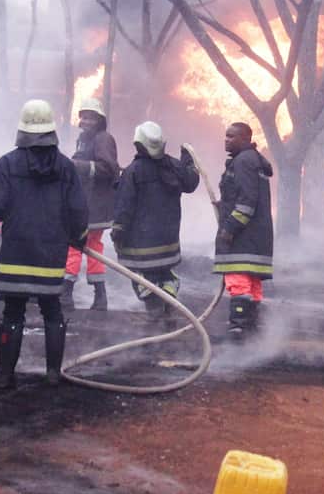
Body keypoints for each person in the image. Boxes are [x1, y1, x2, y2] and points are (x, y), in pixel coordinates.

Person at [0, 99, 88, 389]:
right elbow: (78, 210)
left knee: (13, 312)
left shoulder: (7, 164)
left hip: (16, 253)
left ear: (22, 129)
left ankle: (6, 375)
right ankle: (54, 375)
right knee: (52, 310)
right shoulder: (66, 167)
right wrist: (78, 237)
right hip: (50, 255)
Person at [110, 122, 199, 319]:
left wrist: (118, 231)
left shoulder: (133, 171)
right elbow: (191, 182)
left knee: (141, 279)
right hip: (168, 242)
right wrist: (188, 159)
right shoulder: (174, 166)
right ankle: (168, 295)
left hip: (142, 245)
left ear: (138, 144)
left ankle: (156, 314)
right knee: (163, 273)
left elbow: (124, 205)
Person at [213, 122, 274, 336]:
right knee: (252, 283)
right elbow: (245, 196)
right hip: (257, 236)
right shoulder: (252, 161)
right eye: (226, 136)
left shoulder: (242, 162)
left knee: (237, 278)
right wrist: (224, 205)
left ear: (245, 139)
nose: (227, 140)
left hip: (243, 236)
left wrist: (229, 227)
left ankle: (238, 326)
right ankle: (252, 326)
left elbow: (246, 202)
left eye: (232, 136)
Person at [62, 97, 119, 310]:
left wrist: (78, 165)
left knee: (74, 245)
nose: (86, 120)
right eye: (83, 116)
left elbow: (108, 169)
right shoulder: (85, 139)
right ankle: (100, 297)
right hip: (90, 205)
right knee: (93, 247)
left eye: (90, 117)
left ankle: (66, 294)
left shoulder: (103, 139)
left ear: (99, 119)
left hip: (93, 206)